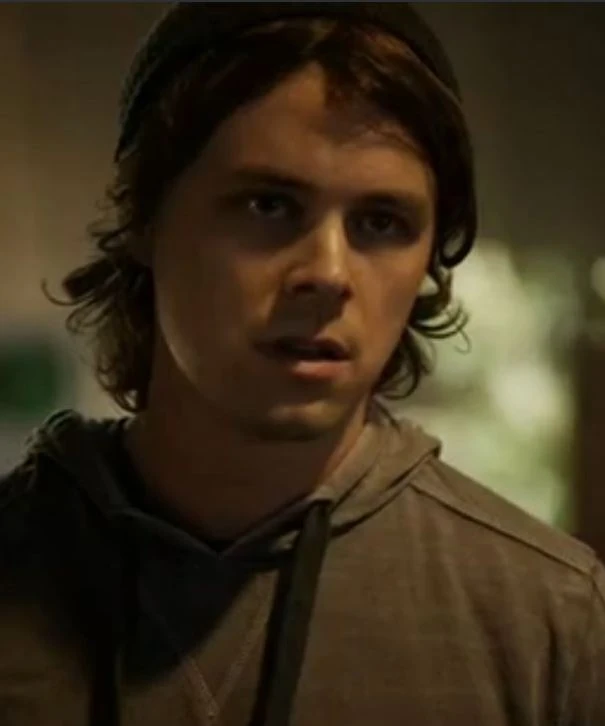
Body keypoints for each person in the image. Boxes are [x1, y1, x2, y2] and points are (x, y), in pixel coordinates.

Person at [1, 3, 603, 725]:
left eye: (381, 222)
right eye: (268, 205)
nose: (327, 273)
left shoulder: (552, 623)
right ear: (143, 217)